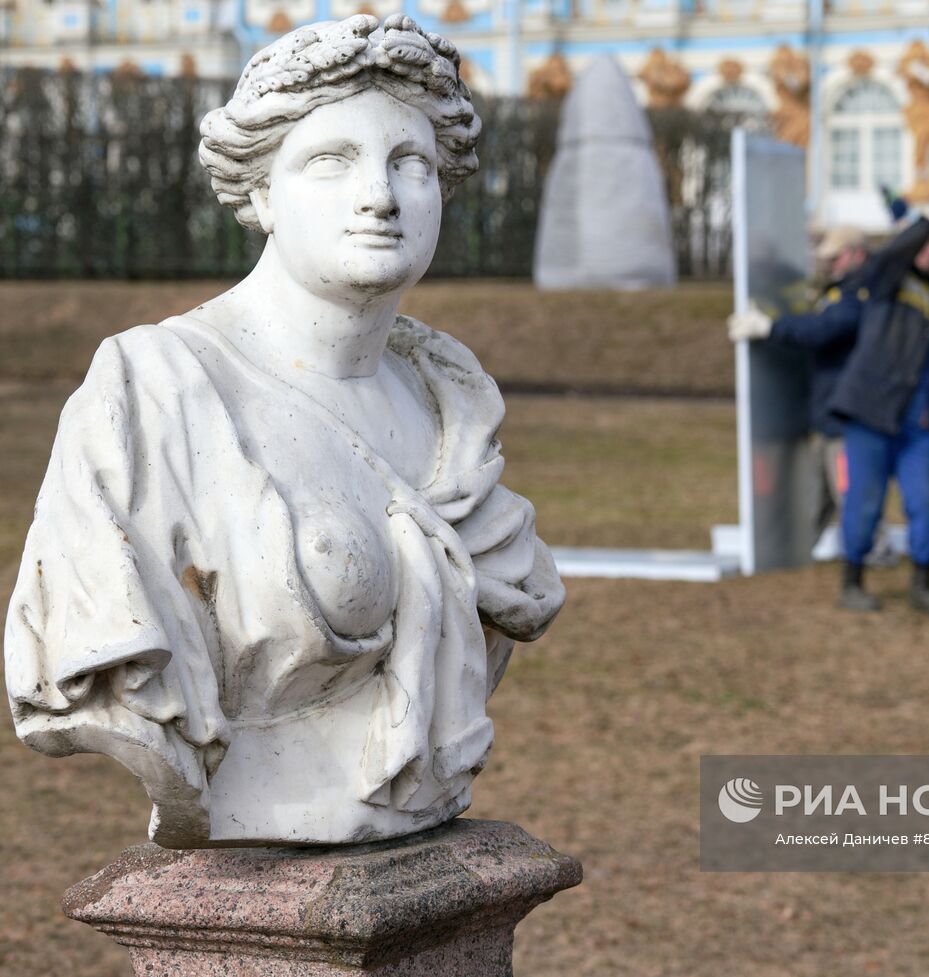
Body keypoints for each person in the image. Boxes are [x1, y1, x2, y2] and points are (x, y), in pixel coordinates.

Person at [4, 14, 564, 847]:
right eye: (330, 162)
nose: (379, 195)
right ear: (261, 193)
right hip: (254, 812)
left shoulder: (451, 398)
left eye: (409, 164)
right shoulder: (155, 393)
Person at [826, 215, 929, 615]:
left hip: (916, 425)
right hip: (871, 413)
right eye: (927, 245)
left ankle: (923, 584)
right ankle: (851, 583)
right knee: (864, 503)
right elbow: (897, 248)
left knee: (924, 505)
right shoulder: (887, 278)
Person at [728, 225, 868, 538]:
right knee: (818, 490)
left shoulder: (857, 295)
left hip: (843, 411)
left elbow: (821, 329)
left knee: (848, 489)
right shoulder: (834, 291)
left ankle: (870, 547)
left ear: (857, 255)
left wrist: (770, 328)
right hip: (825, 409)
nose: (830, 264)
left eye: (836, 258)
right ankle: (801, 542)